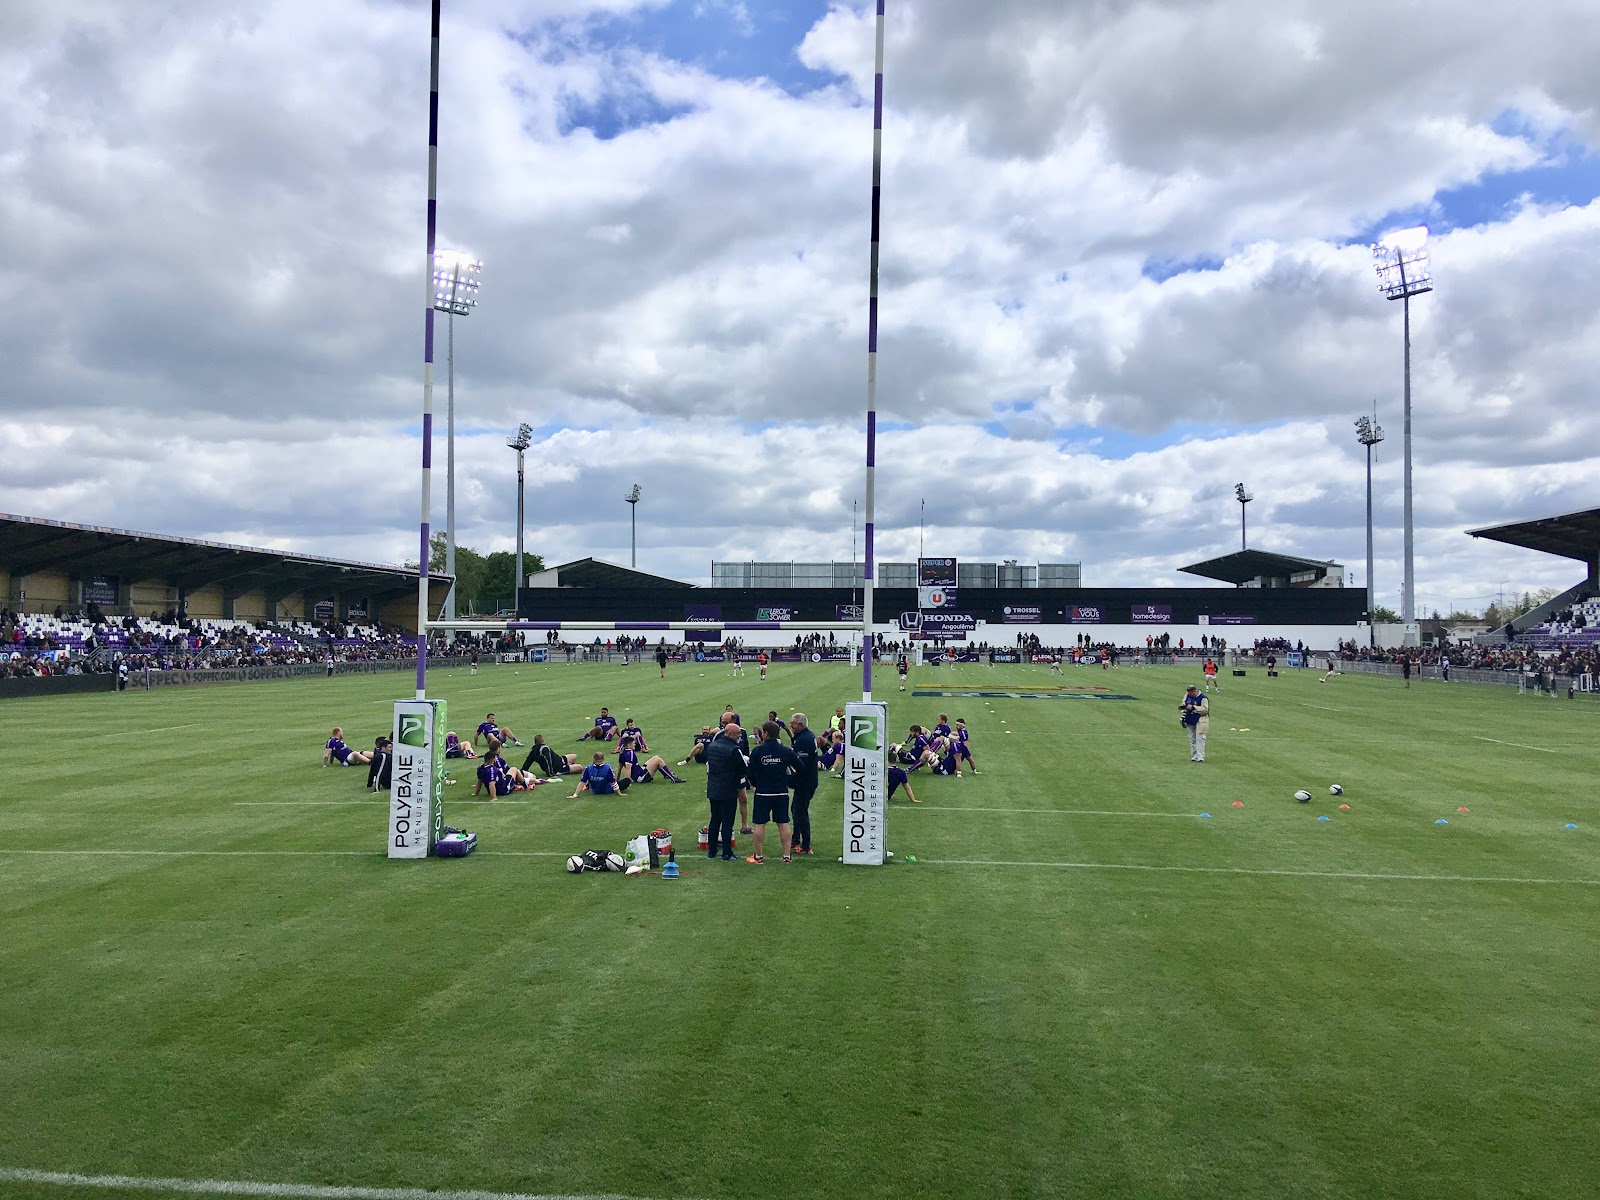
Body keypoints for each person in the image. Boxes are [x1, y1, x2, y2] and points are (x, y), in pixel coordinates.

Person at [745, 721, 798, 864]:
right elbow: (800, 766)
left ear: (766, 733)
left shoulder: (758, 751)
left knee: (759, 824)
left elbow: (749, 772)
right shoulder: (786, 750)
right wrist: (788, 780)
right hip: (781, 792)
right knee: (783, 823)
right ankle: (787, 856)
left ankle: (758, 856)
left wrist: (756, 784)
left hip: (763, 792)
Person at [703, 721, 749, 861]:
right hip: (728, 789)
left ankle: (712, 851)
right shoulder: (734, 749)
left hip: (713, 788)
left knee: (715, 819)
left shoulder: (712, 746)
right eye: (737, 735)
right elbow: (742, 769)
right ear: (731, 734)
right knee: (727, 821)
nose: (739, 737)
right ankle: (727, 852)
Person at [788, 712, 819, 855]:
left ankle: (806, 845)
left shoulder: (804, 740)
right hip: (806, 780)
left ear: (800, 725)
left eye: (793, 724)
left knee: (800, 811)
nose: (791, 726)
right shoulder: (804, 737)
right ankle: (796, 839)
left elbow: (801, 764)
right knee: (796, 809)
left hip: (805, 782)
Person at [616, 735, 686, 786]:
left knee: (656, 757)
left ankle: (666, 774)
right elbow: (628, 768)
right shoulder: (630, 753)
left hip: (640, 772)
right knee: (658, 760)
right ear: (629, 745)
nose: (635, 744)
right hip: (640, 777)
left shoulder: (622, 753)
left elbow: (619, 768)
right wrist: (627, 783)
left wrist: (617, 781)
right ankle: (673, 779)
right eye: (633, 743)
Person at [1180, 685, 1209, 763]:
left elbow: (1205, 709)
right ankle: (1194, 755)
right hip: (1189, 718)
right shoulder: (1187, 695)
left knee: (1200, 738)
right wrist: (1183, 706)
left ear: (1195, 691)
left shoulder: (1203, 698)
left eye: (1191, 692)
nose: (1189, 694)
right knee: (1192, 738)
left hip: (1200, 719)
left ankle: (1200, 757)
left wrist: (1194, 707)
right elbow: (1184, 702)